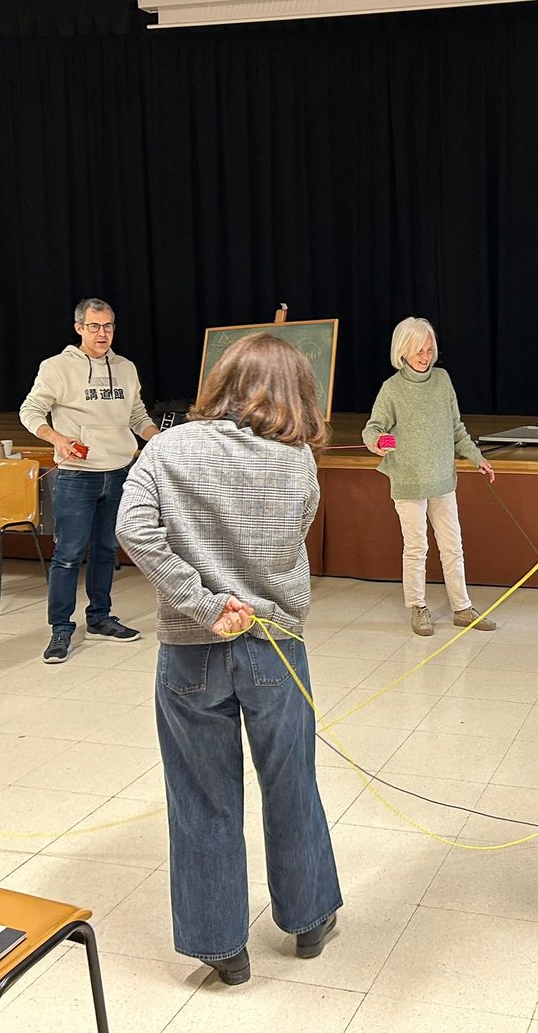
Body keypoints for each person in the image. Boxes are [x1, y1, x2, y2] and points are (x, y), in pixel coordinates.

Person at [115, 333, 342, 985]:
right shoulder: (298, 460)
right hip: (276, 644)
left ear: (224, 380)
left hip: (191, 650)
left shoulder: (168, 448)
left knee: (201, 797)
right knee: (292, 782)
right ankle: (307, 921)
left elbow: (133, 528)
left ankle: (221, 949)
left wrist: (201, 603)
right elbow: (295, 533)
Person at [20, 297, 159, 664]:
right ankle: (60, 629)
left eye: (108, 326)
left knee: (107, 550)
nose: (102, 333)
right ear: (79, 328)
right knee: (68, 555)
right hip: (77, 476)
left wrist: (157, 438)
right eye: (94, 326)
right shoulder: (56, 367)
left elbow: (137, 415)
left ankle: (99, 617)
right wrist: (56, 438)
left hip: (119, 472)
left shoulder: (125, 368)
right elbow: (30, 411)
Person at [363, 317, 498, 637]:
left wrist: (477, 458)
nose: (425, 356)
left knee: (453, 546)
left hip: (442, 480)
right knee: (416, 547)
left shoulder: (442, 380)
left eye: (428, 349)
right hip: (408, 481)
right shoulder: (392, 389)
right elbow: (373, 429)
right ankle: (418, 607)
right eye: (417, 350)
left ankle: (462, 608)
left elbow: (456, 428)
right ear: (402, 352)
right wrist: (379, 442)